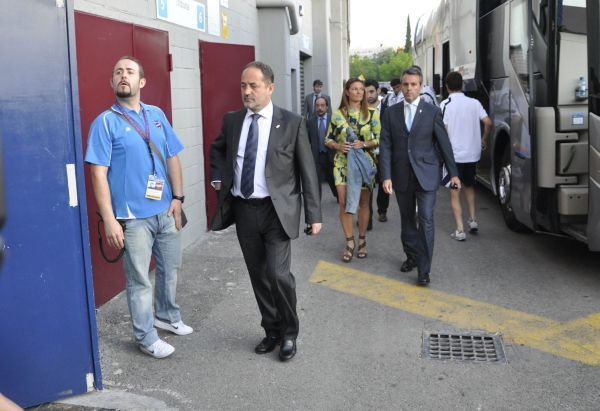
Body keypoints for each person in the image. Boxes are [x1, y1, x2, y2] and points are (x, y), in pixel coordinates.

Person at [210, 61, 322, 362]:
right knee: (258, 276)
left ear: (270, 88)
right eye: (243, 86)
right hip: (245, 209)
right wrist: (218, 178)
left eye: (253, 86)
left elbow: (307, 171)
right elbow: (218, 149)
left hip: (277, 211)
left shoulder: (291, 123)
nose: (247, 91)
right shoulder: (233, 120)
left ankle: (289, 333)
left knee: (278, 274)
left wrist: (315, 215)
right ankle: (271, 329)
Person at [85, 56, 192, 359]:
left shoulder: (156, 115)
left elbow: (172, 156)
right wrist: (109, 219)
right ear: (112, 82)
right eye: (117, 71)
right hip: (132, 219)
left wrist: (178, 198)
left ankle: (168, 316)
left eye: (129, 72)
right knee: (140, 280)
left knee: (170, 270)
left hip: (166, 211)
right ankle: (146, 337)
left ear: (141, 82)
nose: (123, 75)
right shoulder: (105, 122)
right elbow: (98, 173)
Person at [379, 67, 461, 286]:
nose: (409, 89)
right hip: (402, 175)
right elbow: (385, 146)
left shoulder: (432, 111)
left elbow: (444, 144)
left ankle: (424, 270)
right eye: (405, 84)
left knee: (425, 219)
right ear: (401, 86)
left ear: (421, 86)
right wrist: (385, 176)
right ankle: (412, 256)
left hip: (426, 174)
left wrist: (454, 174)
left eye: (413, 84)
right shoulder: (390, 112)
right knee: (407, 220)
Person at [325, 78, 380, 262]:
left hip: (364, 163)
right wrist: (339, 146)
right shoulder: (337, 114)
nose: (358, 92)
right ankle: (350, 241)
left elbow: (379, 139)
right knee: (343, 202)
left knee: (363, 203)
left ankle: (362, 238)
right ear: (347, 92)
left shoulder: (372, 114)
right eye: (354, 89)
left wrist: (364, 143)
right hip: (342, 163)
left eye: (361, 89)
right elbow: (328, 139)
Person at [440, 71, 492, 240]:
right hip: (472, 154)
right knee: (469, 186)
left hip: (454, 156)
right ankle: (473, 220)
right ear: (462, 85)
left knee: (455, 191)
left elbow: (444, 128)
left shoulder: (445, 104)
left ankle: (460, 230)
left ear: (446, 86)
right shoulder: (474, 102)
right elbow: (488, 122)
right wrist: (484, 139)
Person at [365, 79, 389, 225]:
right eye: (366, 92)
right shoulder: (360, 111)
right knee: (367, 186)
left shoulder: (387, 109)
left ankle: (382, 211)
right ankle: (367, 216)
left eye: (372, 91)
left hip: (384, 153)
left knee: (383, 184)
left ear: (378, 91)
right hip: (366, 154)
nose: (369, 95)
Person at [307, 96, 337, 201]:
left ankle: (339, 196)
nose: (320, 108)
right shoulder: (310, 122)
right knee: (316, 180)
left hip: (331, 155)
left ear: (327, 107)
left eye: (322, 105)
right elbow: (308, 139)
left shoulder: (333, 120)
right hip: (316, 155)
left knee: (332, 178)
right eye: (317, 105)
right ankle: (316, 201)